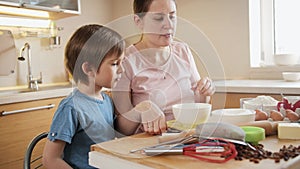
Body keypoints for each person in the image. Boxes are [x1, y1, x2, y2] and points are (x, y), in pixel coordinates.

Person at [112, 0, 216, 136]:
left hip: (189, 136)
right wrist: (141, 110)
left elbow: (199, 104)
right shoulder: (125, 61)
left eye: (172, 16)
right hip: (150, 142)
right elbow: (121, 129)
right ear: (139, 22)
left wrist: (205, 91)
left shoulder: (183, 51)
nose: (169, 25)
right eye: (158, 18)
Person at [42, 24, 125, 169]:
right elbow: (50, 159)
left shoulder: (106, 101)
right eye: (115, 64)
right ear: (88, 69)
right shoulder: (71, 107)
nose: (122, 70)